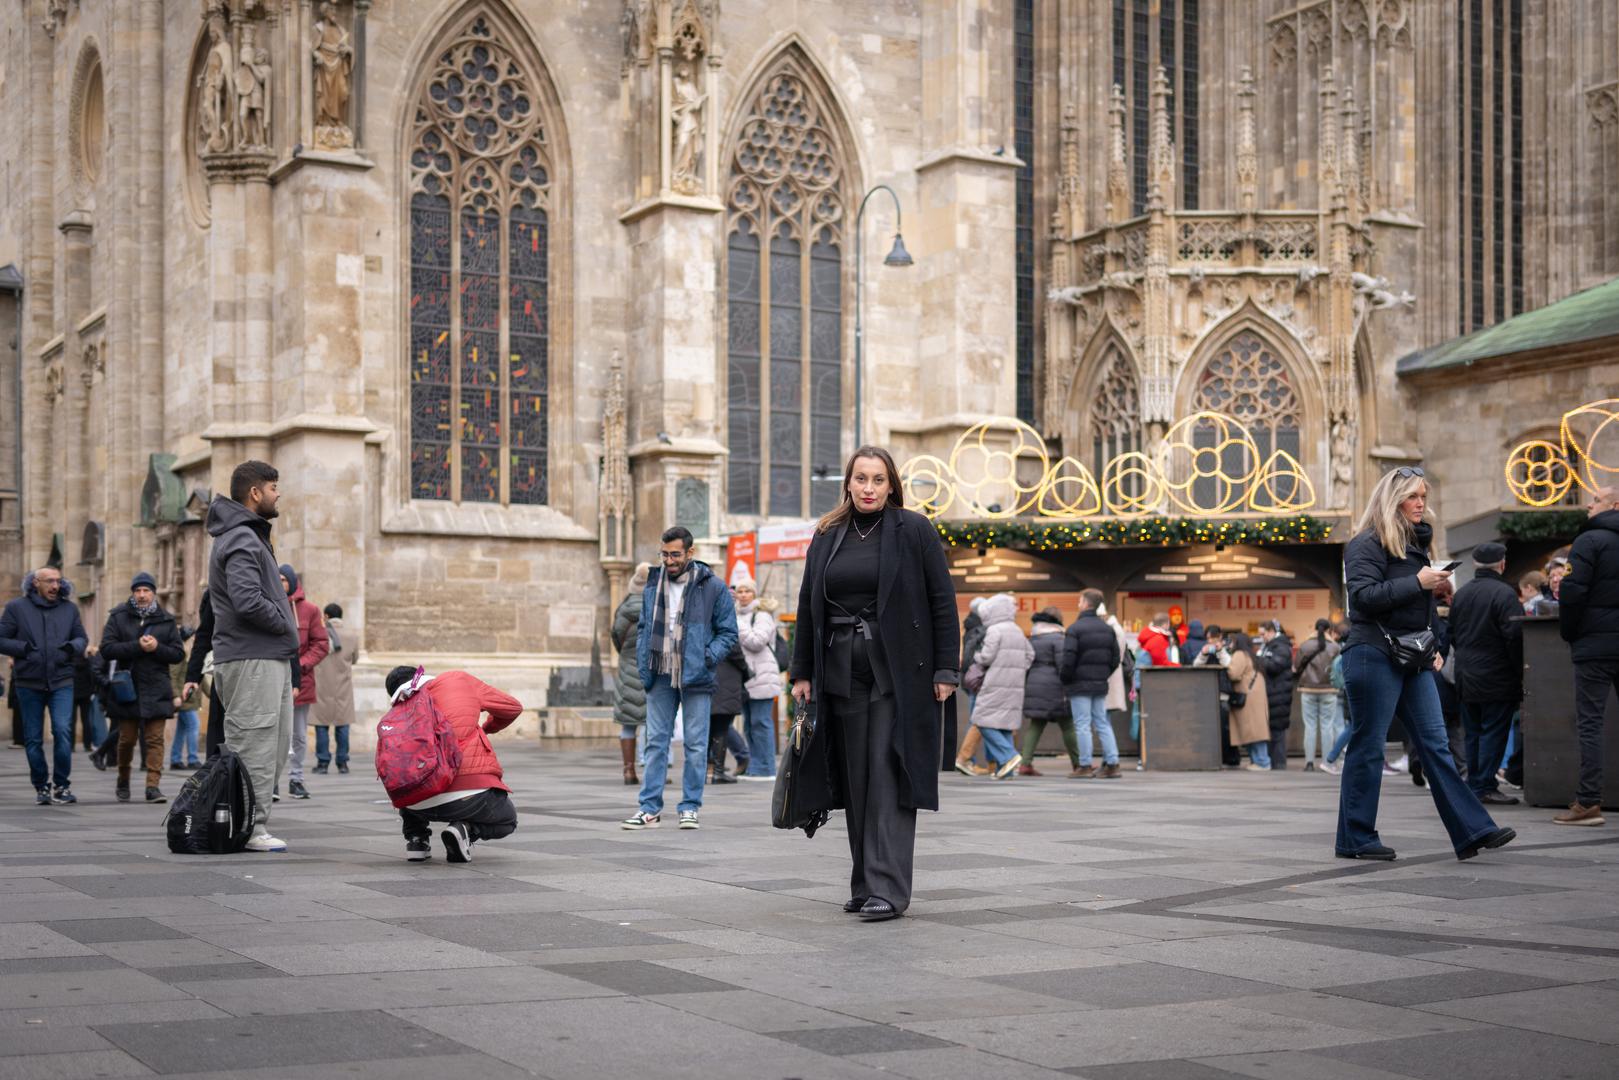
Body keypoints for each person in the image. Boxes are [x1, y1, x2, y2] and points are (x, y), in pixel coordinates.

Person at [787, 446, 960, 921]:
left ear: (891, 485)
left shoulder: (914, 530)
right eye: (861, 479)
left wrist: (947, 668)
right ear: (848, 483)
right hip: (839, 670)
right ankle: (864, 883)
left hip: (898, 672)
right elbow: (808, 606)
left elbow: (942, 601)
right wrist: (801, 670)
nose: (868, 488)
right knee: (855, 778)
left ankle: (890, 887)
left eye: (878, 480)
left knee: (888, 774)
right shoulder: (827, 534)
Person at [1337, 466, 1516, 861]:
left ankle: (1473, 830)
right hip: (1372, 653)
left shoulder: (1415, 545)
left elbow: (1422, 612)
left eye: (1424, 496)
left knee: (1436, 744)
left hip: (1413, 657)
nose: (1421, 504)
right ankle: (1356, 837)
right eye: (1413, 496)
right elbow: (1362, 598)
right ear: (1392, 499)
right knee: (1369, 745)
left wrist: (1433, 644)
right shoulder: (1366, 543)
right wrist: (1417, 582)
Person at [207, 460, 302, 853]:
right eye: (274, 486)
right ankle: (247, 827)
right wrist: (284, 623)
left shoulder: (247, 536)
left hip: (264, 655)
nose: (279, 493)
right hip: (252, 658)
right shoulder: (242, 538)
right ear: (255, 493)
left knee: (273, 744)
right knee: (255, 743)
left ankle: (252, 822)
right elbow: (247, 601)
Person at [623, 525, 738, 831]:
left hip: (697, 674)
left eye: (675, 554)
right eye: (664, 554)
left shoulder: (712, 585)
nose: (669, 560)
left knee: (696, 744)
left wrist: (706, 657)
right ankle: (649, 809)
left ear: (690, 552)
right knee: (656, 742)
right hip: (659, 672)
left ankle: (690, 806)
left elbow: (729, 633)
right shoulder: (652, 582)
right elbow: (644, 626)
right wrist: (642, 659)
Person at [384, 665, 523, 862]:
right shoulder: (458, 680)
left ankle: (417, 840)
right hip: (469, 795)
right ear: (420, 676)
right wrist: (487, 728)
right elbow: (512, 708)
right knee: (508, 819)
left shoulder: (397, 712)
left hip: (416, 803)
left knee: (412, 774)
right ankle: (465, 829)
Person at [1554, 485, 1619, 826]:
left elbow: (1572, 593)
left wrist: (1570, 633)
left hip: (1595, 646)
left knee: (1591, 722)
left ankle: (1589, 802)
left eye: (1595, 500)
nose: (1589, 505)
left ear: (1614, 505)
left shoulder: (1589, 541)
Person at [0, 567, 88, 804]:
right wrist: (24, 649)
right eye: (50, 581)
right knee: (33, 738)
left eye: (58, 581)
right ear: (35, 583)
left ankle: (62, 785)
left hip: (61, 680)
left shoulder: (69, 609)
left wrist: (72, 647)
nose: (55, 586)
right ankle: (41, 786)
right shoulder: (17, 608)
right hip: (29, 681)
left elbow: (82, 637)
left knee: (62, 730)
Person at [1448, 541, 1524, 807]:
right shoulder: (1505, 594)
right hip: (1497, 675)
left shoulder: (1462, 594)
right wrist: (1519, 669)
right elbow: (1514, 635)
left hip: (1466, 675)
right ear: (1502, 564)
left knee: (1473, 732)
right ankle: (1484, 785)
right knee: (1494, 731)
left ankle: (1476, 783)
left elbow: (1453, 633)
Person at [99, 572, 186, 803]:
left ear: (153, 593)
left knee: (155, 739)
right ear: (132, 593)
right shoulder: (118, 617)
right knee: (126, 739)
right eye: (138, 590)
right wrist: (137, 646)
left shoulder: (166, 620)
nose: (142, 595)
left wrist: (157, 647)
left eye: (146, 590)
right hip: (127, 688)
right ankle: (123, 779)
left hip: (156, 687)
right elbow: (107, 649)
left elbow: (177, 654)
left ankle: (152, 786)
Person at [968, 593, 1034, 779]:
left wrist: (977, 657)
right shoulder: (1016, 630)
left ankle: (1010, 756)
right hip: (1014, 685)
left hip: (994, 683)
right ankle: (1005, 768)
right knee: (1004, 725)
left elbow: (987, 656)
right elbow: (1030, 655)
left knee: (981, 720)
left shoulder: (995, 630)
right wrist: (1017, 670)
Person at [1061, 588, 1124, 778]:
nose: (1078, 604)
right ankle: (1112, 763)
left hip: (1079, 685)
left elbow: (1068, 659)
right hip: (1099, 684)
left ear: (1086, 604)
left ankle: (1085, 765)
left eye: (1080, 601)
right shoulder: (1108, 629)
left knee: (1082, 724)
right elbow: (1115, 659)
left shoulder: (1074, 629)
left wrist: (1065, 679)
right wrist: (1103, 674)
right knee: (1102, 722)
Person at [279, 564, 329, 800]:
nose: (280, 584)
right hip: (274, 680)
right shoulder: (269, 606)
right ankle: (270, 782)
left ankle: (296, 778)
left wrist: (301, 664)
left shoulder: (309, 610)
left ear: (292, 582)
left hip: (302, 682)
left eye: (283, 580)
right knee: (274, 734)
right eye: (276, 579)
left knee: (298, 734)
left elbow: (321, 644)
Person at [1019, 607, 1081, 776]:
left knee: (1036, 725)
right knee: (1068, 725)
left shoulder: (1033, 638)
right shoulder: (1059, 638)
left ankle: (1025, 763)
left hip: (1034, 684)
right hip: (1055, 687)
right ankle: (1078, 763)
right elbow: (1064, 665)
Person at [733, 575, 781, 780]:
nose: (743, 595)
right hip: (746, 678)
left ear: (754, 594)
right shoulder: (736, 615)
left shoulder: (762, 615)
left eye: (747, 591)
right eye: (740, 591)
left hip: (762, 676)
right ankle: (755, 766)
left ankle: (767, 767)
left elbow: (757, 641)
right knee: (749, 724)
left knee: (761, 722)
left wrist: (738, 626)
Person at [610, 563, 652, 785]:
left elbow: (616, 636)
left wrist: (626, 655)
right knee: (650, 722)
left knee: (628, 724)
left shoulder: (624, 607)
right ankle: (652, 771)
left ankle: (628, 770)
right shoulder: (655, 607)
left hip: (627, 668)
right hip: (651, 669)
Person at [185, 586, 228, 761]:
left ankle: (264, 788)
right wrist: (193, 677)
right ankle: (218, 781)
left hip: (260, 674)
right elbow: (205, 634)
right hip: (227, 673)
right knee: (220, 735)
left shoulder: (268, 583)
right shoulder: (218, 589)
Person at [311, 603, 355, 773]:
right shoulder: (352, 635)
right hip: (343, 686)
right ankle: (342, 762)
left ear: (327, 616)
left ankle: (323, 762)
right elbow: (355, 658)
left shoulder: (319, 633)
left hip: (322, 685)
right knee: (342, 724)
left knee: (321, 725)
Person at [1293, 619, 1340, 772]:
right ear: (1329, 630)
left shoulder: (1305, 645)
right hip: (1329, 690)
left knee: (1310, 726)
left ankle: (1309, 763)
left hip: (1308, 689)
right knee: (1327, 726)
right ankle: (1327, 762)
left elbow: (1296, 666)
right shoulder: (1335, 647)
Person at [1221, 630, 1272, 771]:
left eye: (1231, 641)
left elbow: (1233, 673)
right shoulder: (1250, 654)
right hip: (1254, 695)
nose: (1229, 644)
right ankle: (1257, 761)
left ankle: (1262, 762)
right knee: (1254, 730)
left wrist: (1225, 662)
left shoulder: (1239, 654)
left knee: (1253, 730)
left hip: (1248, 696)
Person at [705, 636, 752, 784]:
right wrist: (746, 670)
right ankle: (718, 772)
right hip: (725, 679)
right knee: (721, 727)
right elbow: (734, 648)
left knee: (708, 728)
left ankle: (705, 771)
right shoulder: (723, 619)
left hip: (708, 677)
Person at [953, 597, 990, 775]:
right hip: (979, 680)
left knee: (977, 718)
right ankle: (967, 759)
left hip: (970, 680)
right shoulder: (980, 630)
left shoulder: (969, 626)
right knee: (977, 719)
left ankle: (972, 761)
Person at [1256, 620, 1295, 770]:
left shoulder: (1281, 647)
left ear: (1271, 631)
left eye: (1263, 634)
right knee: (1273, 730)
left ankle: (1279, 764)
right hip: (1274, 694)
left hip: (1279, 695)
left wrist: (1259, 659)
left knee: (1277, 732)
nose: (1262, 637)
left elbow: (1274, 666)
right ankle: (1275, 763)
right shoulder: (1270, 646)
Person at [169, 628, 203, 770]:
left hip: (190, 699)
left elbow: (201, 681)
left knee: (182, 730)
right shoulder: (180, 655)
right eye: (193, 638)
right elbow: (173, 676)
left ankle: (175, 759)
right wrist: (176, 695)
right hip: (184, 700)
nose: (195, 640)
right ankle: (193, 759)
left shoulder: (191, 656)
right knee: (194, 726)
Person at [73, 645, 107, 753]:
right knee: (86, 720)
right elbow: (92, 677)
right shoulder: (88, 663)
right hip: (86, 695)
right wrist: (91, 691)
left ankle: (70, 745)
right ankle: (87, 745)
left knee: (71, 721)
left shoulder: (71, 664)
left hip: (73, 694)